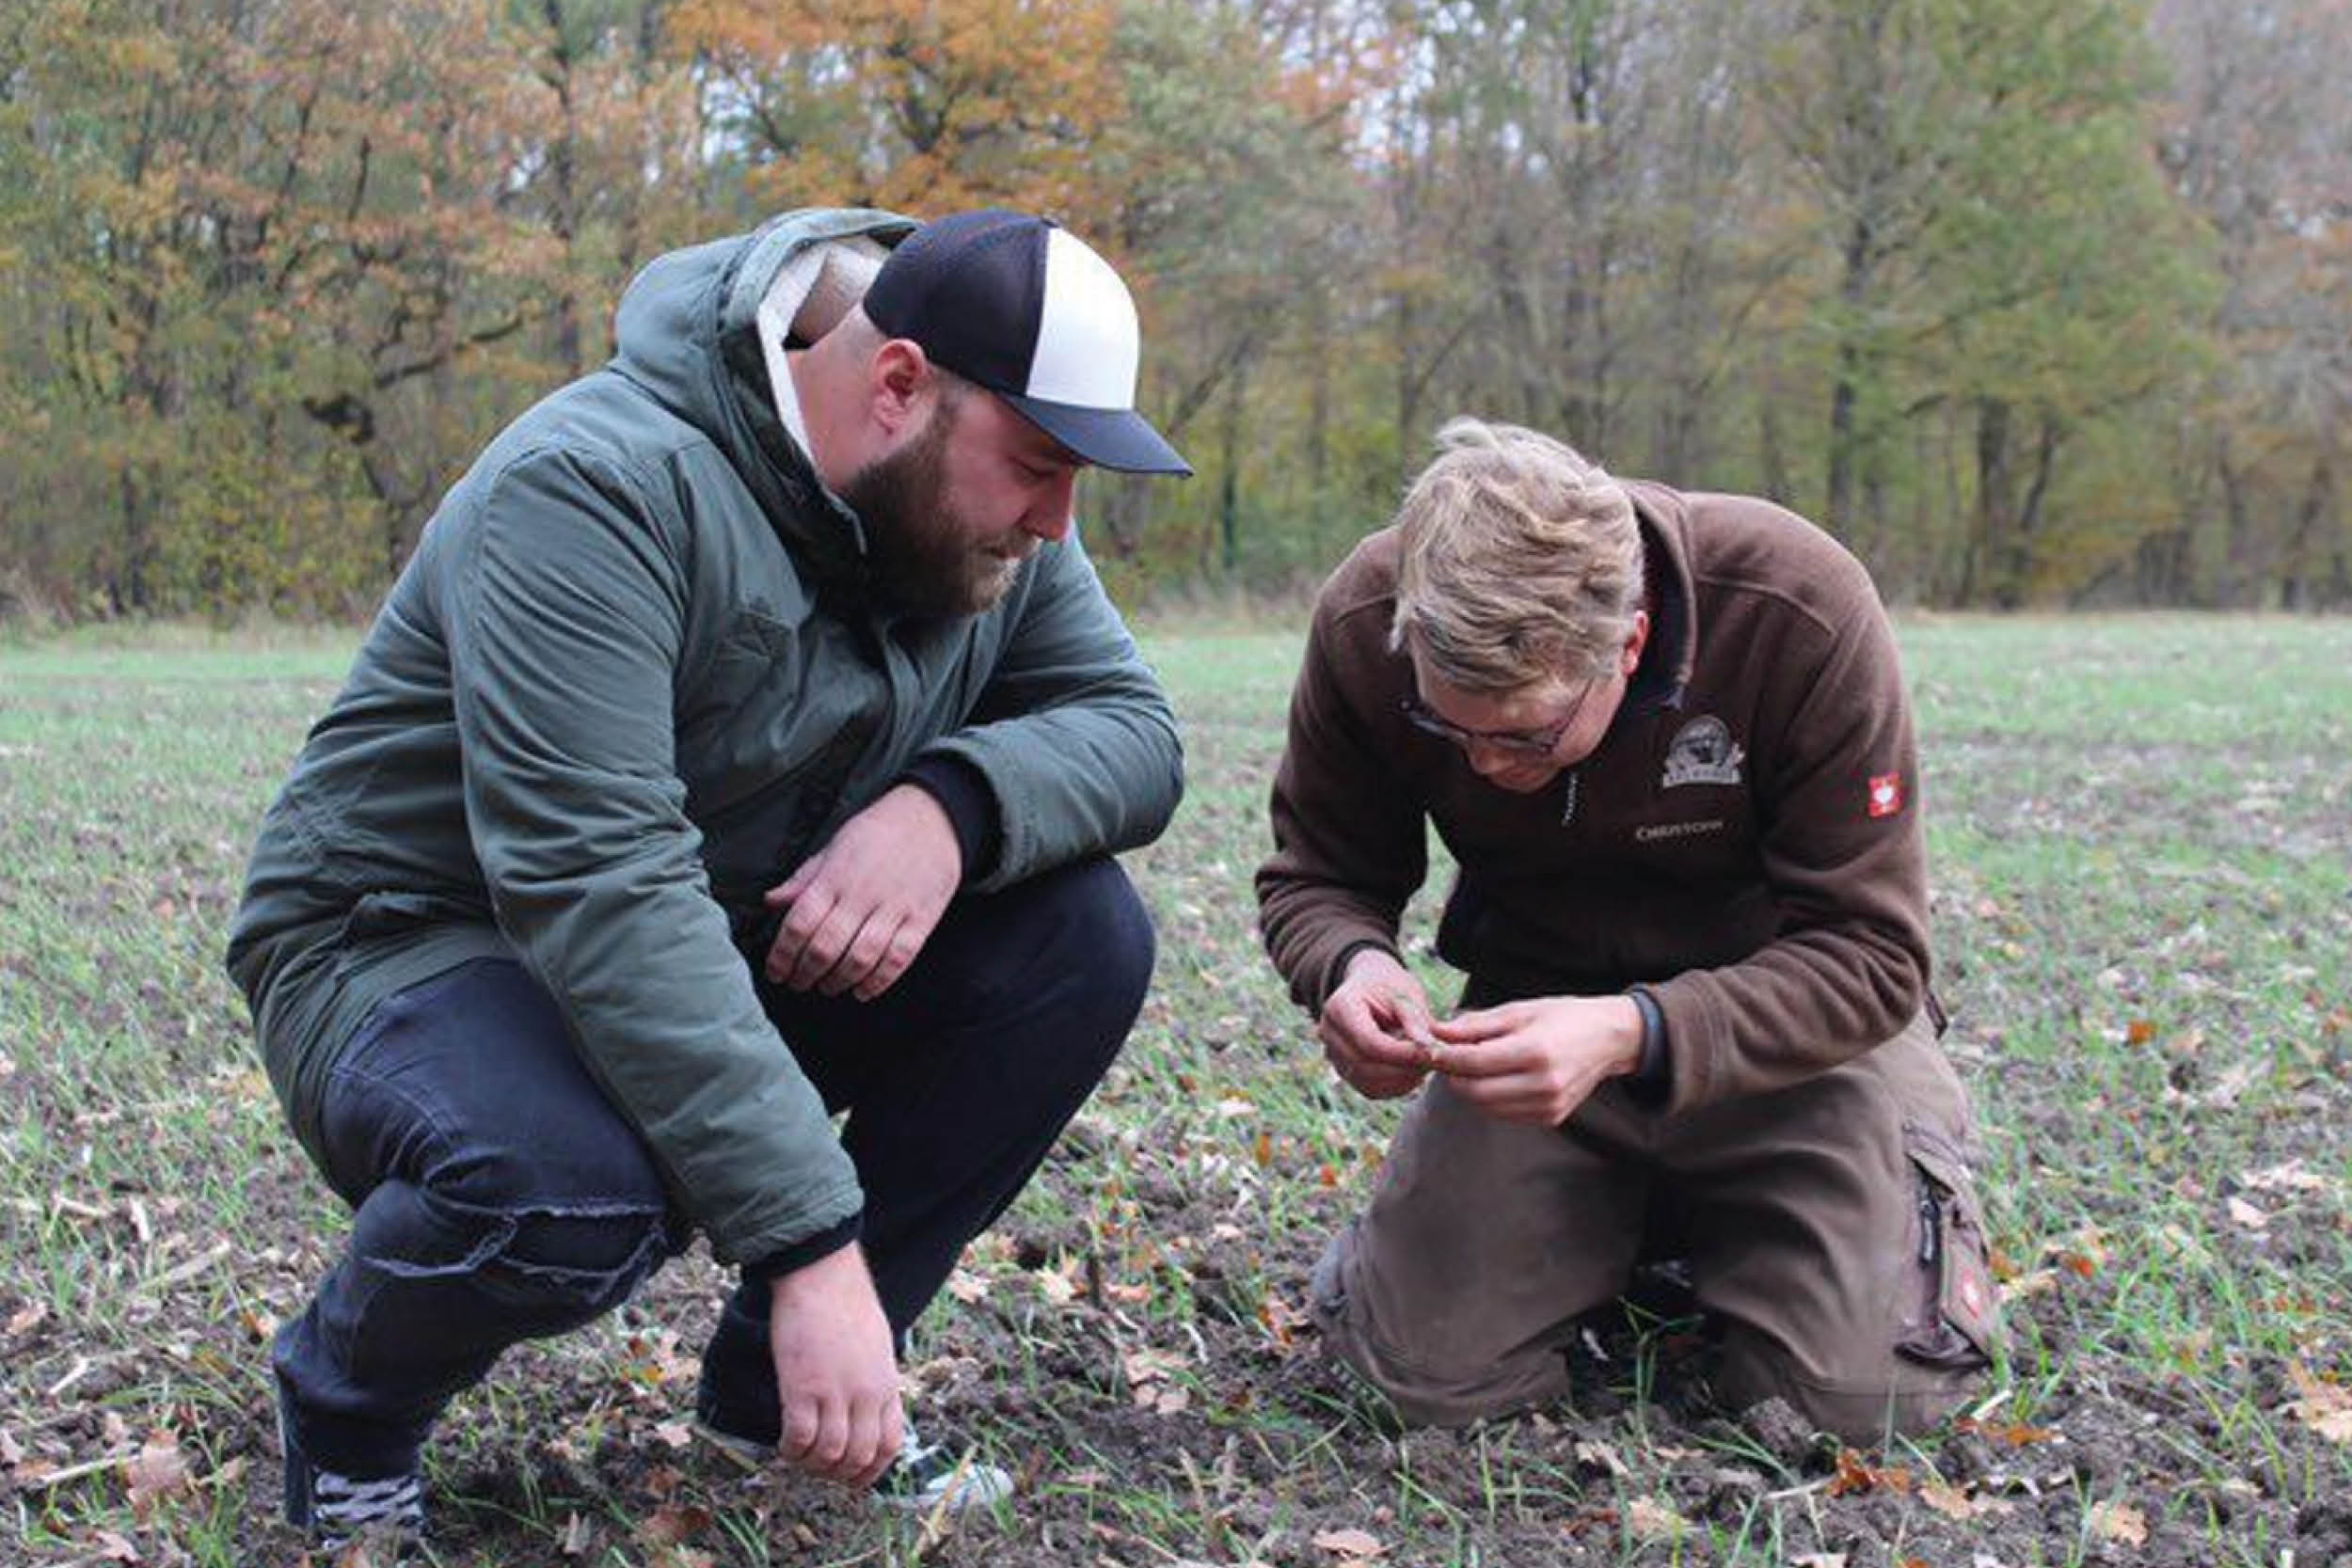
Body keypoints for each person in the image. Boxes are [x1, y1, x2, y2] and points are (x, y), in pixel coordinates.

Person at [226, 206, 1190, 1553]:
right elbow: (598, 884)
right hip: (414, 943)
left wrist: (949, 808)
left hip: (710, 926)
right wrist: (811, 1246)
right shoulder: (593, 486)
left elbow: (1135, 729)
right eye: (1038, 466)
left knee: (1076, 938)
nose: (1057, 518)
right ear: (898, 384)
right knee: (559, 1185)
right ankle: (348, 1411)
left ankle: (774, 1406)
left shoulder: (979, 518)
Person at [1257, 418, 1998, 1445]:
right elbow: (1320, 876)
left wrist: (1631, 1030)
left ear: (1631, 644)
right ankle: (1600, 1223)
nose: (1485, 768)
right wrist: (1353, 965)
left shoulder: (1796, 609)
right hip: (1536, 1018)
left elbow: (1873, 955)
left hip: (1796, 1031)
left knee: (1868, 1402)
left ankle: (1773, 1215)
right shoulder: (1367, 620)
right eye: (1446, 728)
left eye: (1527, 734)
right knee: (1418, 1381)